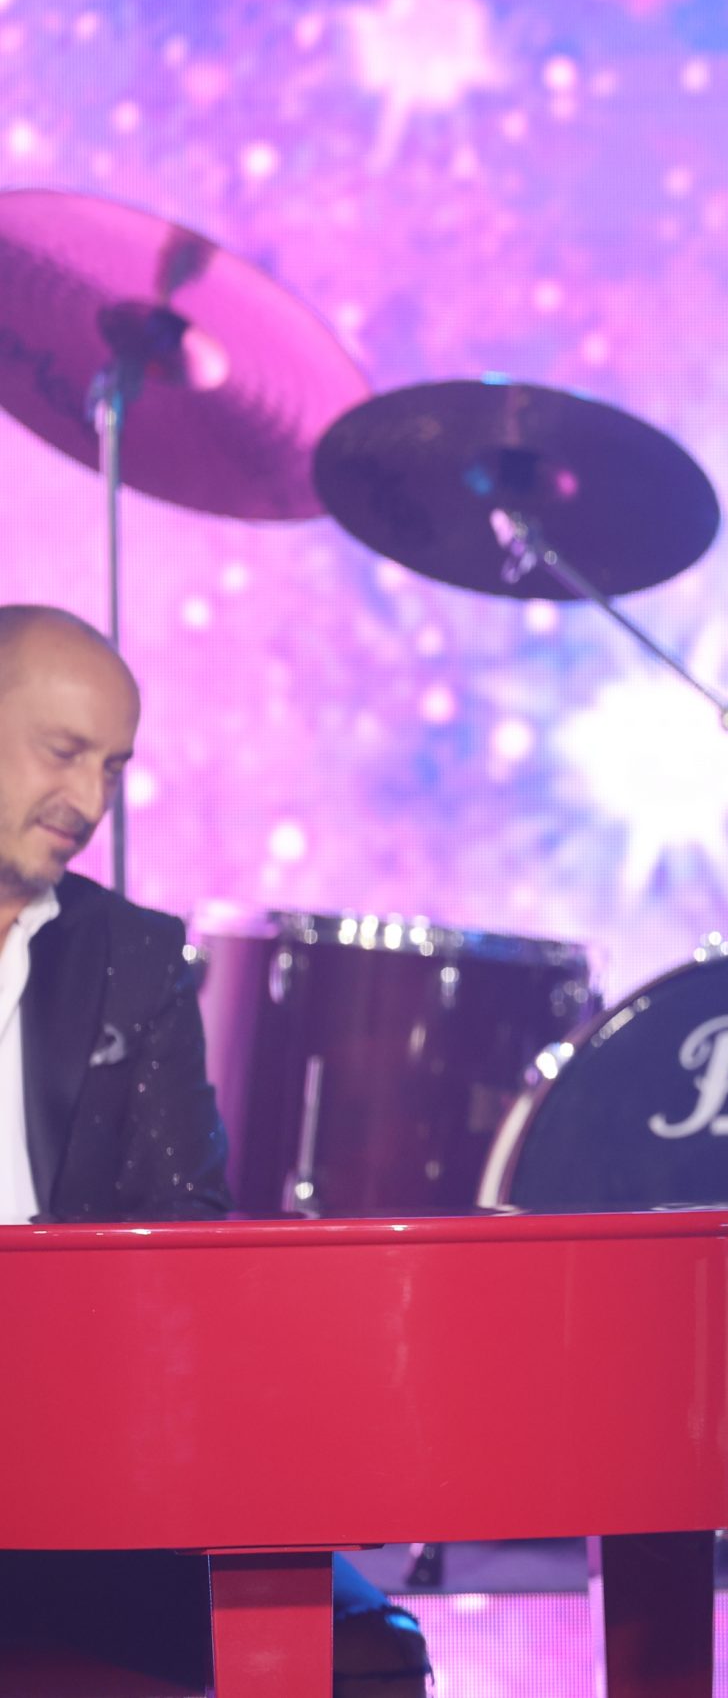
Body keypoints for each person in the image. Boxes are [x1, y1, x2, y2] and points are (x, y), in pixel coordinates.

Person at [0, 605, 431, 1695]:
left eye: (113, 768)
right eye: (63, 752)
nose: (89, 801)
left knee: (363, 1657)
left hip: (81, 1457)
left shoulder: (133, 958)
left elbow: (183, 1236)